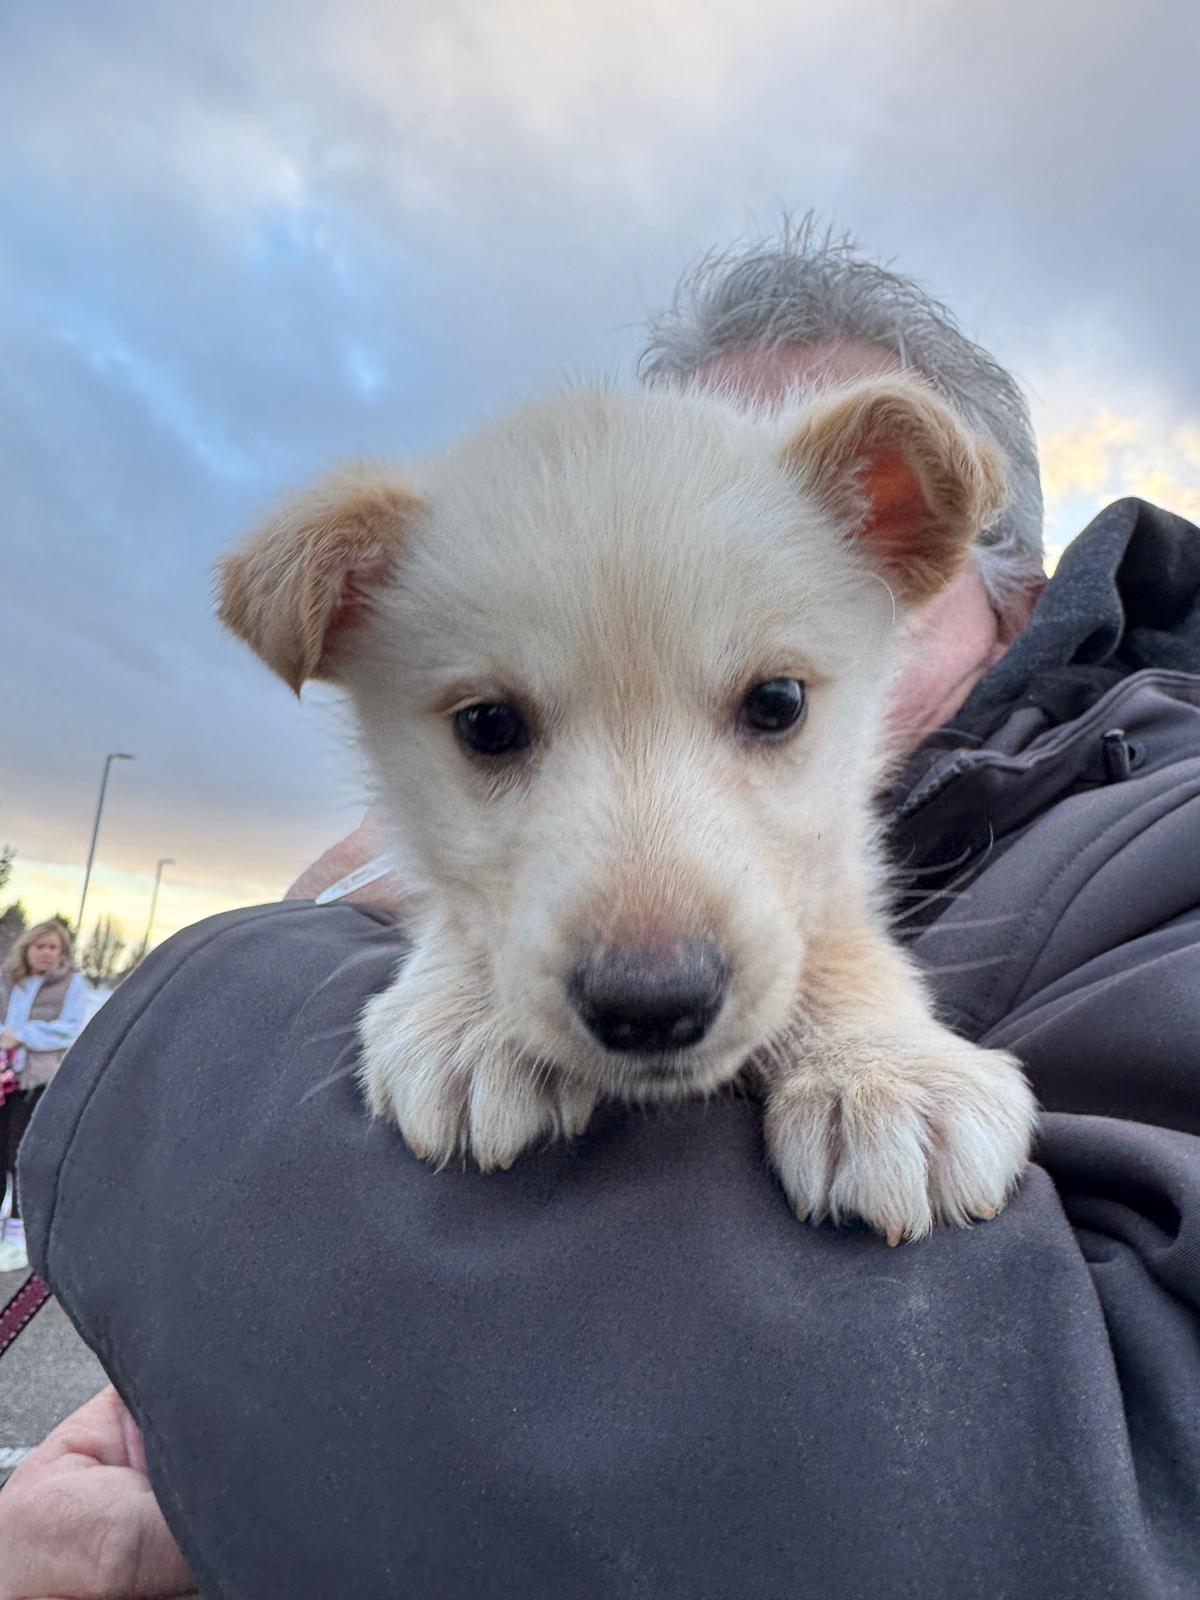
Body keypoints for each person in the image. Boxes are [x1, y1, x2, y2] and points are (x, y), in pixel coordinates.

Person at [6, 220, 1200, 1599]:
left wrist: (206, 1006)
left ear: (973, 577)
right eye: (496, 727)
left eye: (768, 705)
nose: (650, 940)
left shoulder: (1158, 832)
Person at [0, 919, 87, 1273]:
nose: (47, 953)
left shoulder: (71, 984)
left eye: (54, 947)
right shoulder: (9, 978)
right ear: (28, 948)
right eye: (41, 946)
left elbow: (70, 1029)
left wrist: (23, 1034)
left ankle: (18, 1231)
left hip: (35, 1079)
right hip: (3, 1074)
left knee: (20, 1154)